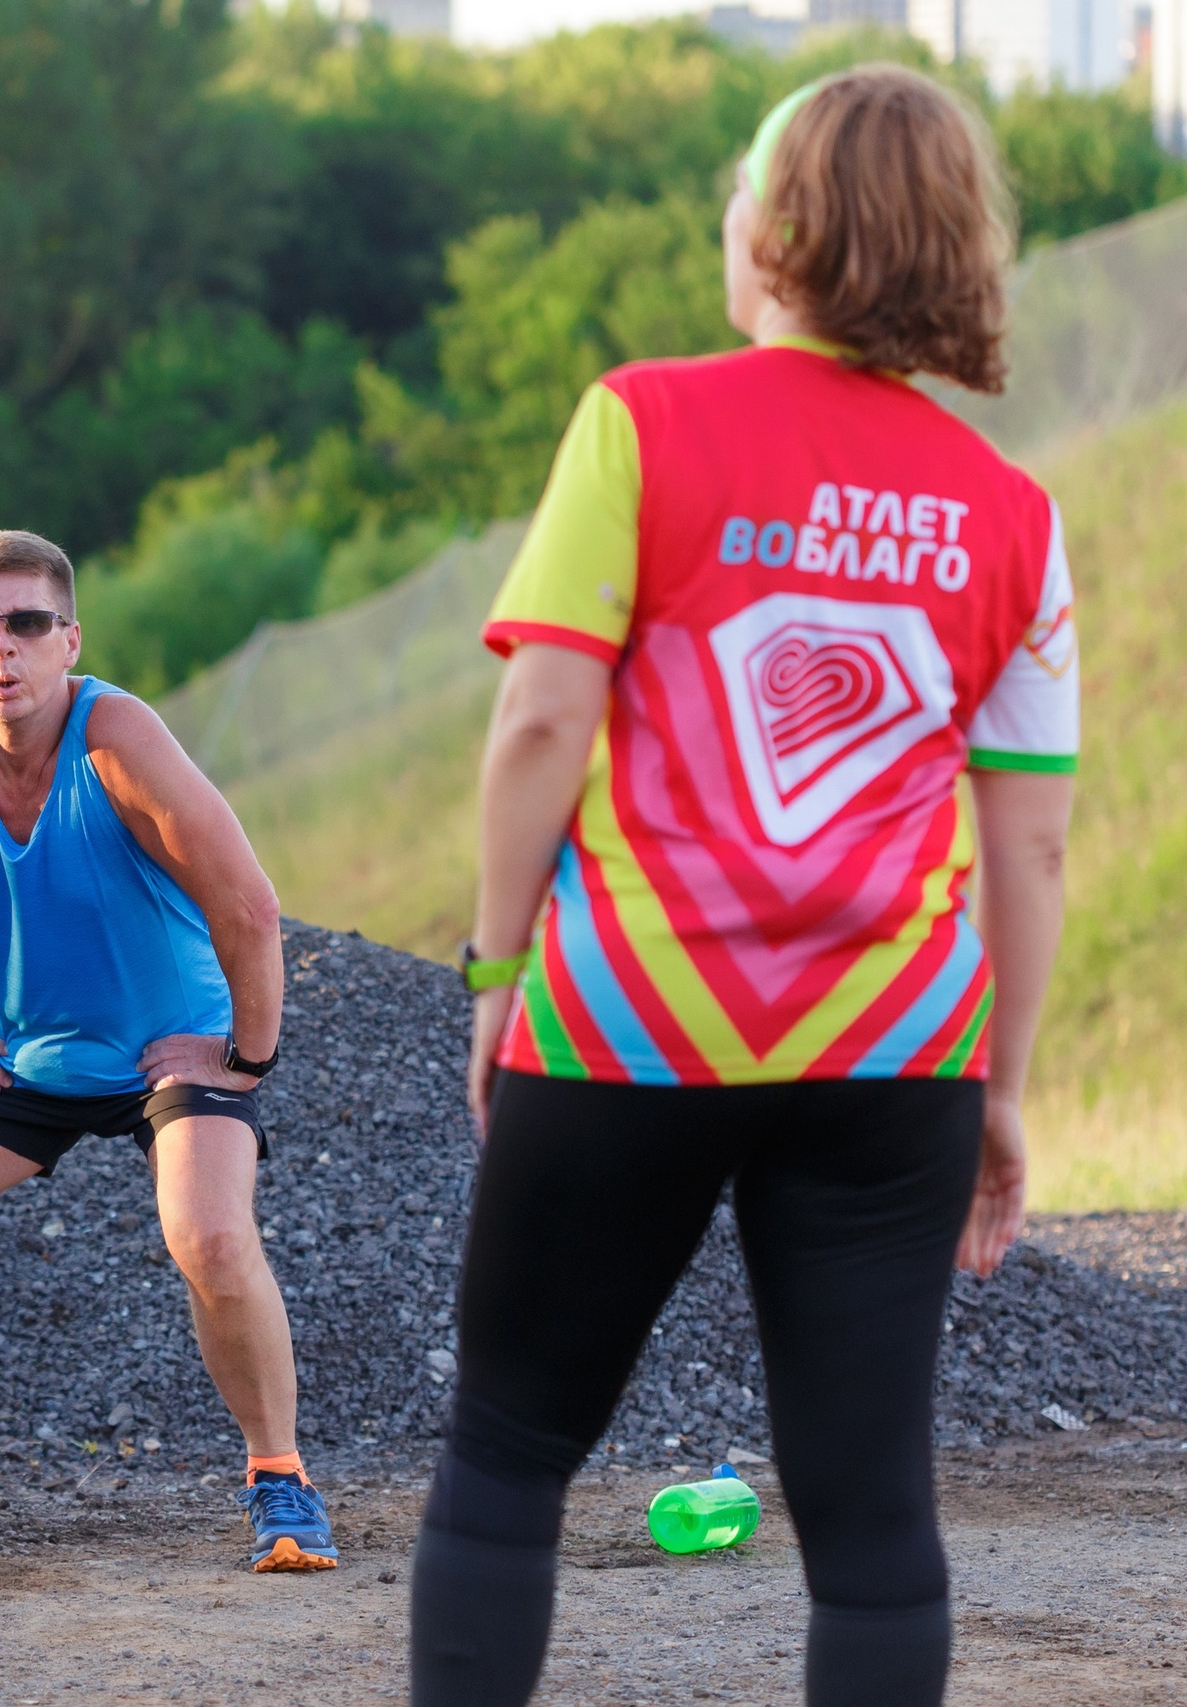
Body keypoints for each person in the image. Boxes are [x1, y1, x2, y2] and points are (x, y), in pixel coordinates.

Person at [415, 67, 1076, 1707]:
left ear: (781, 229)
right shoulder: (1012, 515)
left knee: (509, 1449)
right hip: (891, 1051)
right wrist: (999, 1083)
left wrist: (498, 983)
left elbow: (541, 724)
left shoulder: (642, 420)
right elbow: (1034, 846)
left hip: (631, 1024)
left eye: (735, 192)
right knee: (871, 1516)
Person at [0, 529, 339, 1572]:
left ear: (69, 638)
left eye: (27, 623)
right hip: (23, 1053)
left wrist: (244, 1056)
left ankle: (281, 1480)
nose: (3, 647)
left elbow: (249, 908)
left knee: (212, 1242)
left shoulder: (115, 736)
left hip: (165, 1055)